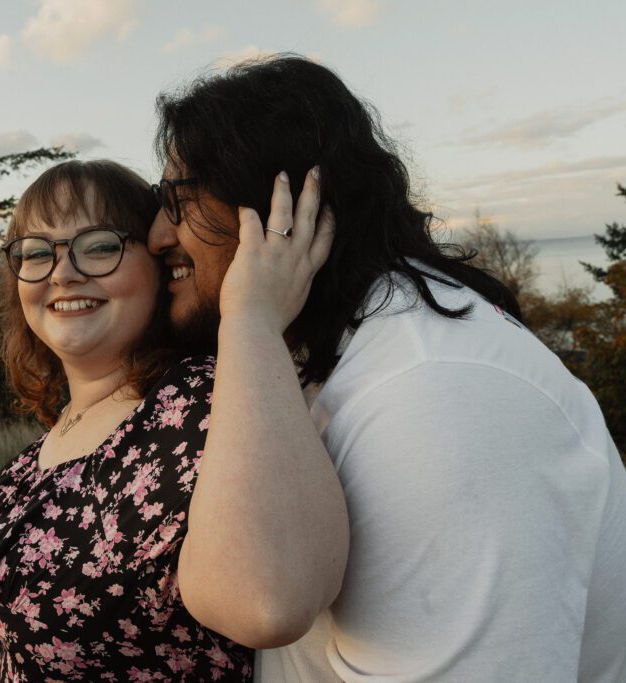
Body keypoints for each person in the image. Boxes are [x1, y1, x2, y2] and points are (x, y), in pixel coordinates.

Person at [147, 54, 626, 682]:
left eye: (177, 201)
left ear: (275, 202)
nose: (156, 235)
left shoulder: (439, 395)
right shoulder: (310, 352)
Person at [0, 159, 348, 681]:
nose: (62, 272)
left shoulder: (203, 400)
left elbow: (270, 605)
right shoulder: (50, 442)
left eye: (99, 246)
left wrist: (254, 319)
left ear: (160, 265)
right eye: (35, 252)